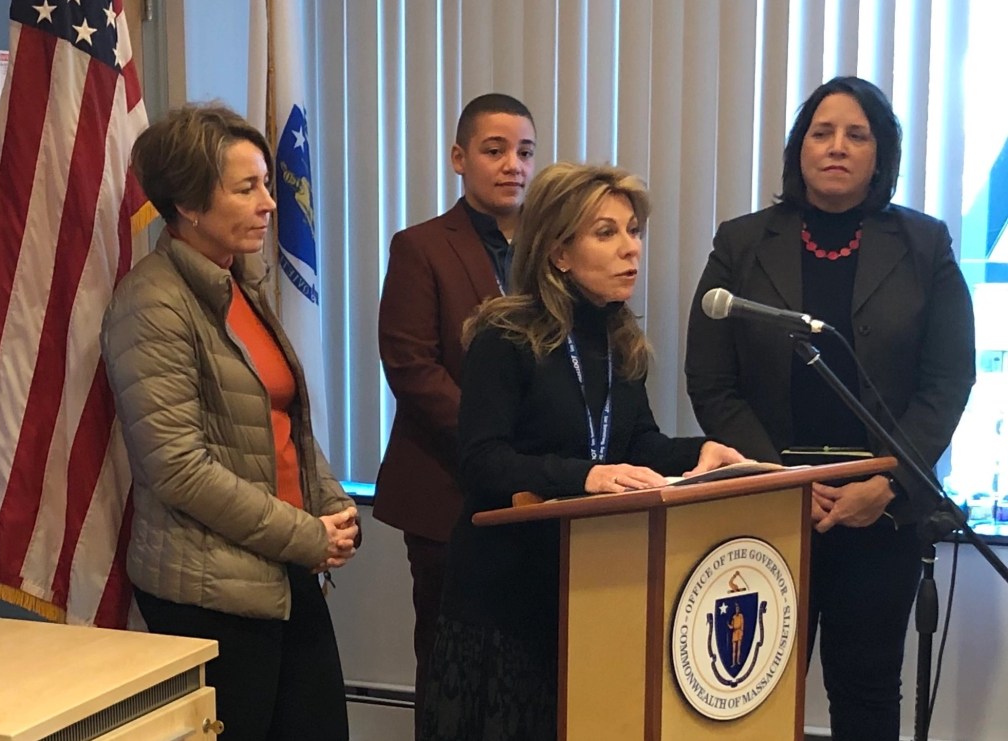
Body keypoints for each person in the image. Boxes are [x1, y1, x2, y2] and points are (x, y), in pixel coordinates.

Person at [685, 76, 975, 740]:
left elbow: (947, 379)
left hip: (881, 511)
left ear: (882, 153)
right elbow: (711, 378)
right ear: (799, 148)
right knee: (748, 689)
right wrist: (776, 480)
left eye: (856, 133)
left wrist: (891, 480)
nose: (837, 146)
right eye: (821, 131)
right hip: (768, 506)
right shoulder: (743, 241)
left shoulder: (924, 246)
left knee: (868, 692)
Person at [420, 162, 745, 740]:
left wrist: (703, 454)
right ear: (559, 252)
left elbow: (638, 443)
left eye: (634, 231)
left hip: (594, 587)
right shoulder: (505, 336)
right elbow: (482, 461)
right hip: (507, 599)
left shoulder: (617, 338)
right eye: (607, 233)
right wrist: (587, 477)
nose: (631, 250)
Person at [101, 103, 359, 741]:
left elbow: (286, 416)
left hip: (282, 569)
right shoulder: (151, 302)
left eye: (267, 184)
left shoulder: (238, 283)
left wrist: (332, 509)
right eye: (247, 188)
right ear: (188, 203)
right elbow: (178, 469)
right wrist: (306, 535)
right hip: (210, 591)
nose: (270, 203)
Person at [374, 92, 536, 736]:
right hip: (447, 491)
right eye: (494, 151)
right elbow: (413, 369)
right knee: (448, 666)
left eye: (525, 152)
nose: (512, 166)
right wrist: (495, 442)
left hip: (538, 496)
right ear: (459, 158)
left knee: (522, 669)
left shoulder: (551, 252)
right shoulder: (421, 247)